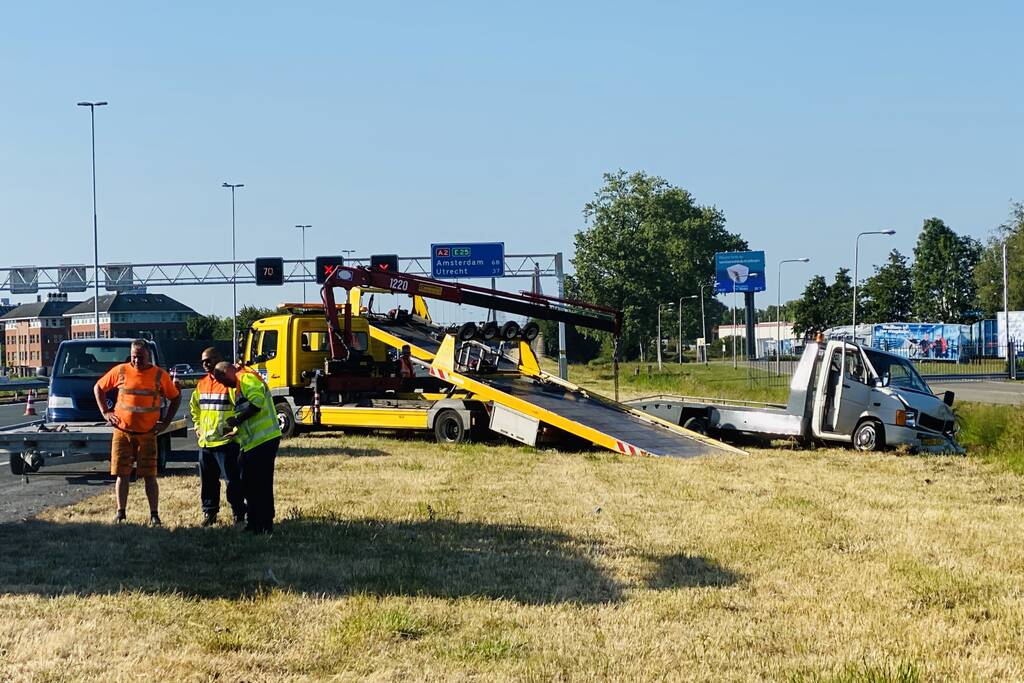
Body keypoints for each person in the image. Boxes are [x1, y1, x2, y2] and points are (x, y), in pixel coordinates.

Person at [94, 339, 181, 525]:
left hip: (147, 434)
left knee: (150, 475)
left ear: (148, 356)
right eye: (133, 356)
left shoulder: (159, 375)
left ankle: (154, 514)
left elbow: (175, 397)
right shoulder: (121, 371)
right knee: (122, 474)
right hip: (122, 431)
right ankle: (121, 512)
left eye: (140, 357)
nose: (136, 361)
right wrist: (106, 412)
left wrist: (165, 423)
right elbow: (98, 387)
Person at [212, 361, 282, 534]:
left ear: (228, 372)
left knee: (261, 484)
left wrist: (238, 420)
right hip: (252, 442)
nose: (222, 384)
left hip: (264, 440)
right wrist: (235, 430)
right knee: (249, 483)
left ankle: (264, 524)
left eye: (222, 379)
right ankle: (254, 522)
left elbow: (256, 404)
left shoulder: (246, 379)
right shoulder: (235, 386)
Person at [190, 347, 245, 527]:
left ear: (219, 359)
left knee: (232, 482)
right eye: (203, 362)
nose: (206, 364)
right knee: (208, 482)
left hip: (226, 442)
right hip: (206, 442)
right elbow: (195, 408)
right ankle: (209, 513)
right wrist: (198, 426)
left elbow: (242, 408)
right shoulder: (202, 384)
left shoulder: (229, 382)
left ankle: (238, 513)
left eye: (209, 360)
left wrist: (235, 431)